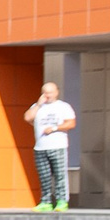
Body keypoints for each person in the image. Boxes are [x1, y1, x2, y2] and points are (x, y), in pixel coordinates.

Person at [28, 82, 74, 210]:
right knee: (44, 176)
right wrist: (38, 104)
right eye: (45, 92)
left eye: (50, 92)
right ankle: (46, 202)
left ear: (56, 92)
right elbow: (27, 117)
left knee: (60, 175)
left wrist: (54, 128)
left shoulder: (63, 107)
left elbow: (71, 123)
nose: (47, 95)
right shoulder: (38, 107)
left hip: (58, 146)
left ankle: (62, 201)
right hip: (40, 147)